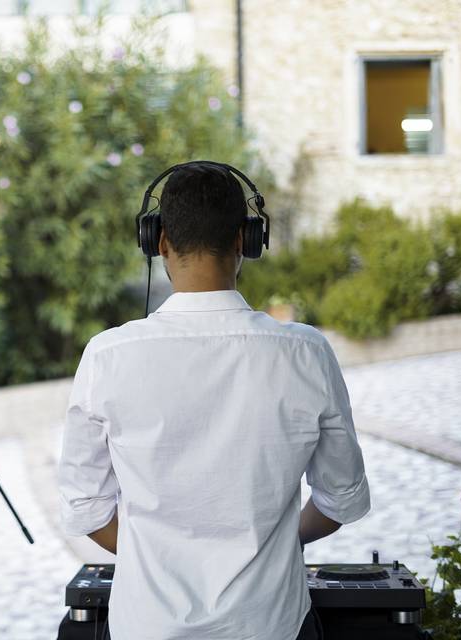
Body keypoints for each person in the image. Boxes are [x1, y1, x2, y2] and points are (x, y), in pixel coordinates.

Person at [57, 162, 370, 640]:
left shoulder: (108, 356)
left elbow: (86, 509)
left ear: (157, 241)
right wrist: (276, 544)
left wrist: (161, 555)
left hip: (146, 625)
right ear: (247, 240)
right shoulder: (306, 353)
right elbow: (340, 500)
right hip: (273, 624)